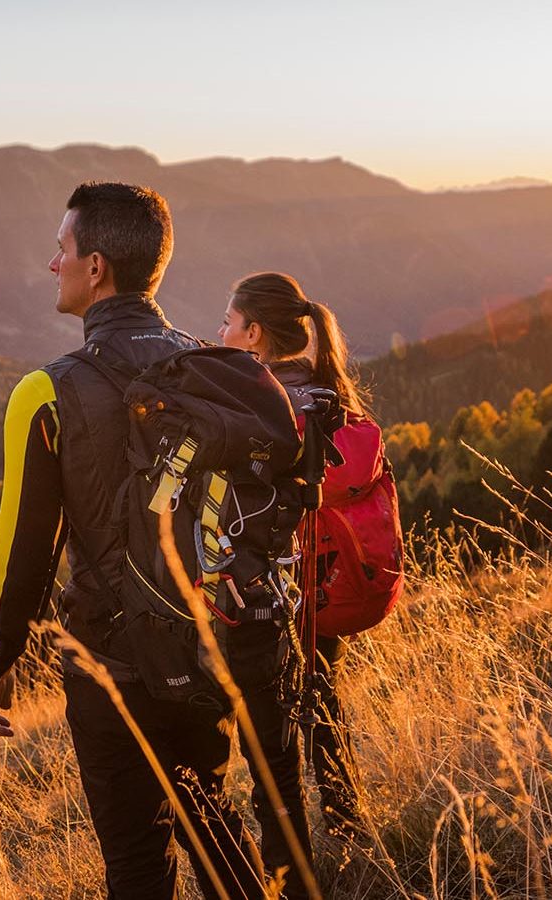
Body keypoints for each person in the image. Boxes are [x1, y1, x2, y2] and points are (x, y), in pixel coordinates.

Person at [0, 182, 269, 899]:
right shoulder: (210, 369)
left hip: (110, 664)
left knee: (136, 863)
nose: (53, 264)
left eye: (62, 249)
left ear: (95, 266)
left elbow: (22, 549)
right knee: (215, 829)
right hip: (203, 646)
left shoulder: (45, 393)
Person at [216, 272, 368, 853]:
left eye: (228, 323)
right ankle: (349, 825)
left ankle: (287, 866)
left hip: (270, 592)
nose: (220, 332)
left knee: (269, 736)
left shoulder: (261, 404)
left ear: (254, 334)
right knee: (324, 697)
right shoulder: (328, 392)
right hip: (324, 577)